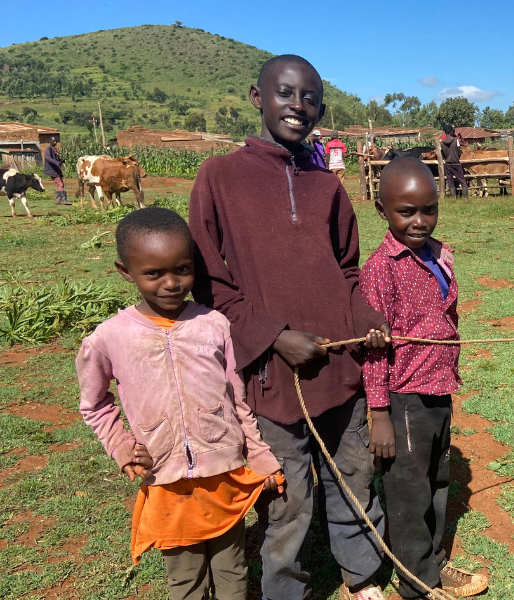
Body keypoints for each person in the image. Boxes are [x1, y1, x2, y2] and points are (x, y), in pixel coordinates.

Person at [188, 54, 391, 600]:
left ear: (320, 108)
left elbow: (346, 271)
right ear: (258, 98)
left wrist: (368, 320)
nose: (297, 107)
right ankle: (287, 590)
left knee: (354, 478)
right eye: (285, 93)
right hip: (271, 377)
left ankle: (363, 577)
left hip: (340, 371)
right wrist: (275, 337)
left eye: (309, 98)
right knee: (288, 499)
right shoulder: (220, 178)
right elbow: (211, 283)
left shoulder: (327, 186)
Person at [77, 207, 285, 600]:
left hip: (223, 476)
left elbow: (236, 397)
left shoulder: (215, 324)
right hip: (166, 481)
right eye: (154, 274)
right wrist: (122, 447)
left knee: (233, 572)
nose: (171, 283)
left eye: (182, 270)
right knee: (185, 579)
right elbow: (94, 404)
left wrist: (259, 455)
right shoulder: (109, 338)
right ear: (126, 272)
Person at [360, 157, 490, 599]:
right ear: (382, 211)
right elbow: (373, 350)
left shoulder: (441, 253)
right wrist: (379, 411)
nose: (419, 221)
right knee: (408, 494)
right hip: (404, 397)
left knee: (437, 481)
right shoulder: (380, 269)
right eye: (406, 211)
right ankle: (416, 585)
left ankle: (433, 565)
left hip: (439, 389)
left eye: (428, 209)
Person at [440, 124, 467, 198]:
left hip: (447, 164)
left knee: (450, 181)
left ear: (445, 132)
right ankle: (466, 197)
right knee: (462, 180)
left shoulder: (441, 143)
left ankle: (453, 197)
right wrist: (457, 157)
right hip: (456, 163)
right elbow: (459, 151)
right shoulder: (456, 140)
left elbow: (442, 154)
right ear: (451, 131)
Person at [43, 141, 70, 205]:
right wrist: (56, 162)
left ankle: (60, 199)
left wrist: (61, 160)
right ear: (51, 142)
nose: (55, 143)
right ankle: (61, 200)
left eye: (56, 142)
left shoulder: (54, 149)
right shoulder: (48, 148)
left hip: (56, 169)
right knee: (60, 184)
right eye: (54, 142)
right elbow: (48, 158)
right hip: (51, 169)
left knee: (61, 184)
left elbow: (56, 158)